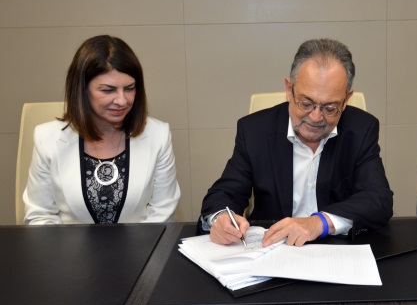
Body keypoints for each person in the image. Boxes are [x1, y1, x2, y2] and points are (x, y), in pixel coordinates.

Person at [199, 38, 393, 246]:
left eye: (330, 107)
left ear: (346, 100)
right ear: (289, 89)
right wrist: (220, 219)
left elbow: (378, 199)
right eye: (306, 103)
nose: (316, 117)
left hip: (337, 249)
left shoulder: (362, 129)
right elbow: (225, 193)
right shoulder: (255, 131)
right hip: (273, 249)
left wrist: (320, 222)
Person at [24, 35, 181, 224]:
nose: (122, 100)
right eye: (108, 90)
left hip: (140, 250)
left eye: (129, 88)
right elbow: (40, 217)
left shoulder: (158, 135)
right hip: (69, 252)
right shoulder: (47, 138)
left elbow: (162, 216)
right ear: (81, 89)